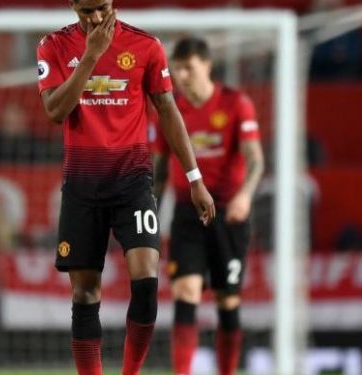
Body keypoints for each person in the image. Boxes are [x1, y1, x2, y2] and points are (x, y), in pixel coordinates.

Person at [36, 1, 216, 374]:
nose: (96, 18)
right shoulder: (52, 46)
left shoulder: (145, 47)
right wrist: (90, 57)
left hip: (132, 182)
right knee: (85, 294)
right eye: (86, 10)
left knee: (147, 280)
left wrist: (194, 178)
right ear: (72, 5)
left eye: (101, 7)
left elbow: (168, 111)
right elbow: (55, 111)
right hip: (83, 187)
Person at [152, 37, 265, 375]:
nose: (183, 75)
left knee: (226, 300)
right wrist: (150, 212)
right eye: (178, 68)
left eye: (189, 67)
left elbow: (255, 160)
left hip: (228, 215)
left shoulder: (235, 104)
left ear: (207, 65)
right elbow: (158, 169)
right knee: (185, 290)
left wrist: (245, 196)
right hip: (188, 214)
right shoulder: (171, 111)